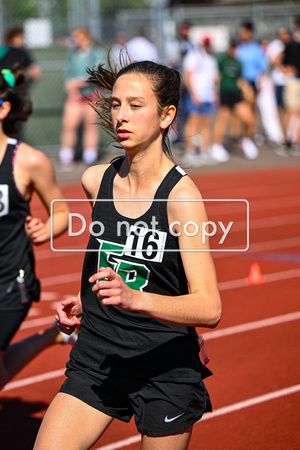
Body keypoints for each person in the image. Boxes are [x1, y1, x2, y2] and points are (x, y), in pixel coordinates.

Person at [34, 58, 222, 449]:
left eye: (136, 106)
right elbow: (117, 258)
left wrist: (135, 299)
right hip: (98, 358)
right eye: (116, 104)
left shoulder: (182, 198)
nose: (121, 115)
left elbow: (209, 307)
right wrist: (88, 303)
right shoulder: (95, 180)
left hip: (163, 367)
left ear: (167, 114)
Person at [0, 67, 74, 390]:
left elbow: (62, 213)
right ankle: (50, 336)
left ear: (3, 109)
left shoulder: (28, 161)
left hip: (10, 280)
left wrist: (46, 229)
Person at [58, 28, 106, 169]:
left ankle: (90, 156)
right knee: (69, 125)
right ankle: (66, 157)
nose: (77, 41)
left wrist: (82, 82)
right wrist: (72, 84)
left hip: (91, 96)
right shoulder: (73, 55)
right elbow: (68, 76)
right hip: (75, 97)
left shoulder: (97, 53)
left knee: (90, 126)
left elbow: (98, 74)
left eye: (80, 37)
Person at [211, 38, 259, 162]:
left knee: (250, 119)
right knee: (223, 121)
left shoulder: (239, 63)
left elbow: (239, 79)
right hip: (225, 94)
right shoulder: (222, 61)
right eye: (232, 47)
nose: (233, 49)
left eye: (235, 47)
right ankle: (216, 146)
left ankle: (246, 141)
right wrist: (216, 93)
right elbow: (218, 77)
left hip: (236, 94)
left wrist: (246, 89)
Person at [182, 35, 219, 166]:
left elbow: (214, 78)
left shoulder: (211, 59)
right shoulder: (193, 56)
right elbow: (188, 74)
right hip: (196, 95)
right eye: (205, 44)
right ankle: (190, 152)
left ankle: (204, 151)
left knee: (206, 123)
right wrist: (193, 94)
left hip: (208, 95)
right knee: (193, 122)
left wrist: (214, 94)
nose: (207, 46)